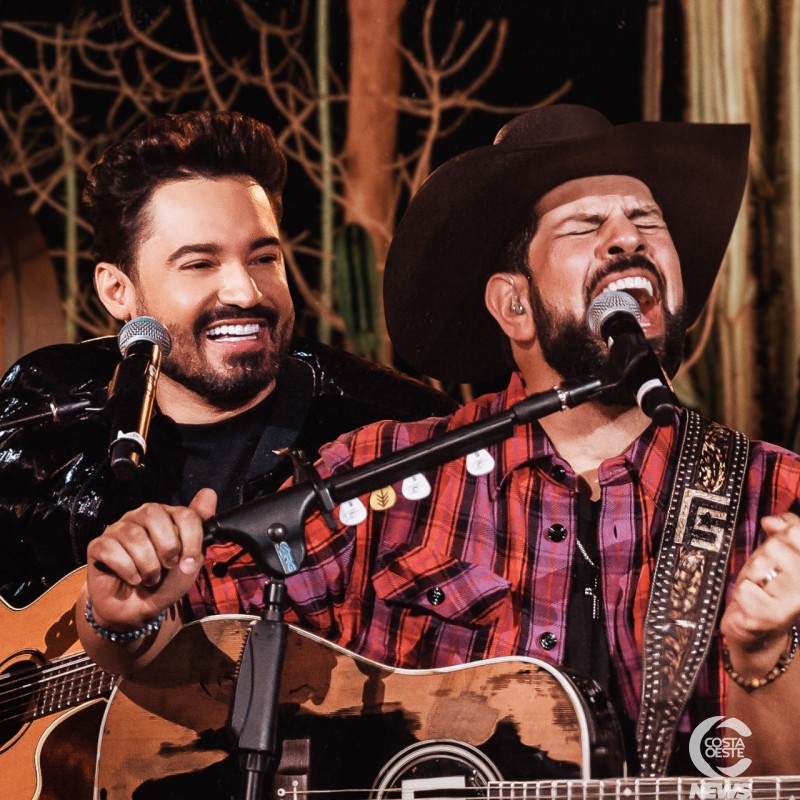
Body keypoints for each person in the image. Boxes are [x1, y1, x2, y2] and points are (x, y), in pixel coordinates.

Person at [78, 105, 800, 779]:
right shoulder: (379, 478)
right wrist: (115, 615)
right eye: (585, 226)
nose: (628, 238)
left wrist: (762, 656)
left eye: (647, 220)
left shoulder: (777, 501)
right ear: (514, 305)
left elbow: (771, 779)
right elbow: (179, 651)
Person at [0, 110, 455, 606]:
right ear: (117, 291)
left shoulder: (399, 431)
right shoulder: (42, 414)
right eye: (200, 263)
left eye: (264, 258)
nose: (245, 291)